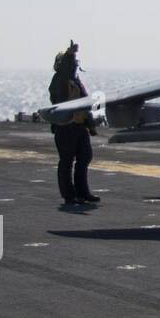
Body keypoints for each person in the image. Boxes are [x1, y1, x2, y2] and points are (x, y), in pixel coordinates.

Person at [48, 40, 99, 207]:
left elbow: (84, 103)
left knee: (85, 157)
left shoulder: (75, 82)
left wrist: (90, 124)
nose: (75, 66)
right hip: (65, 127)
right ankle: (69, 196)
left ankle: (83, 192)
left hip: (79, 126)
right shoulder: (59, 81)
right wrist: (70, 54)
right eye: (71, 63)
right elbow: (64, 72)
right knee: (67, 161)